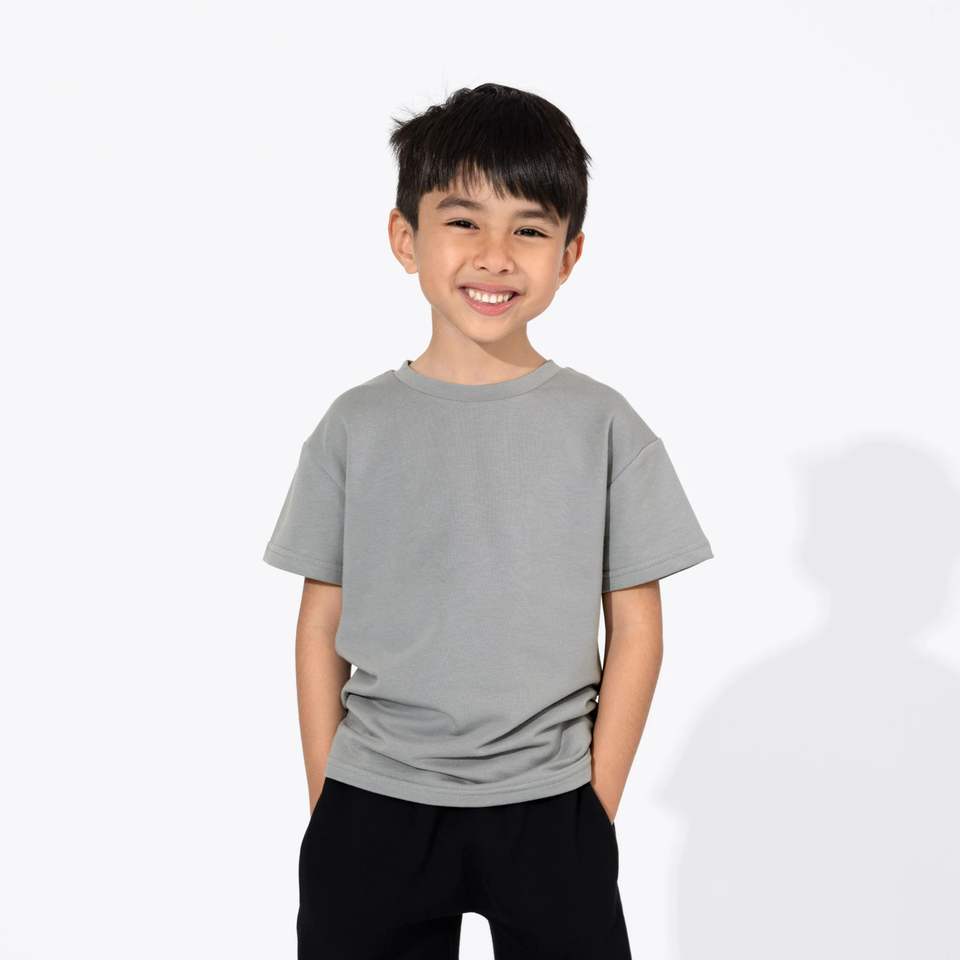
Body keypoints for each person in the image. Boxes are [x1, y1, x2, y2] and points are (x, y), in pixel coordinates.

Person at [262, 82, 714, 960]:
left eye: (530, 230)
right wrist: (329, 798)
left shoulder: (604, 424)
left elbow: (637, 628)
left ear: (570, 254)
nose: (495, 257)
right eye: (464, 221)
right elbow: (320, 624)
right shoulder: (355, 424)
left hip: (551, 804)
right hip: (374, 799)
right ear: (406, 238)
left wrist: (594, 805)